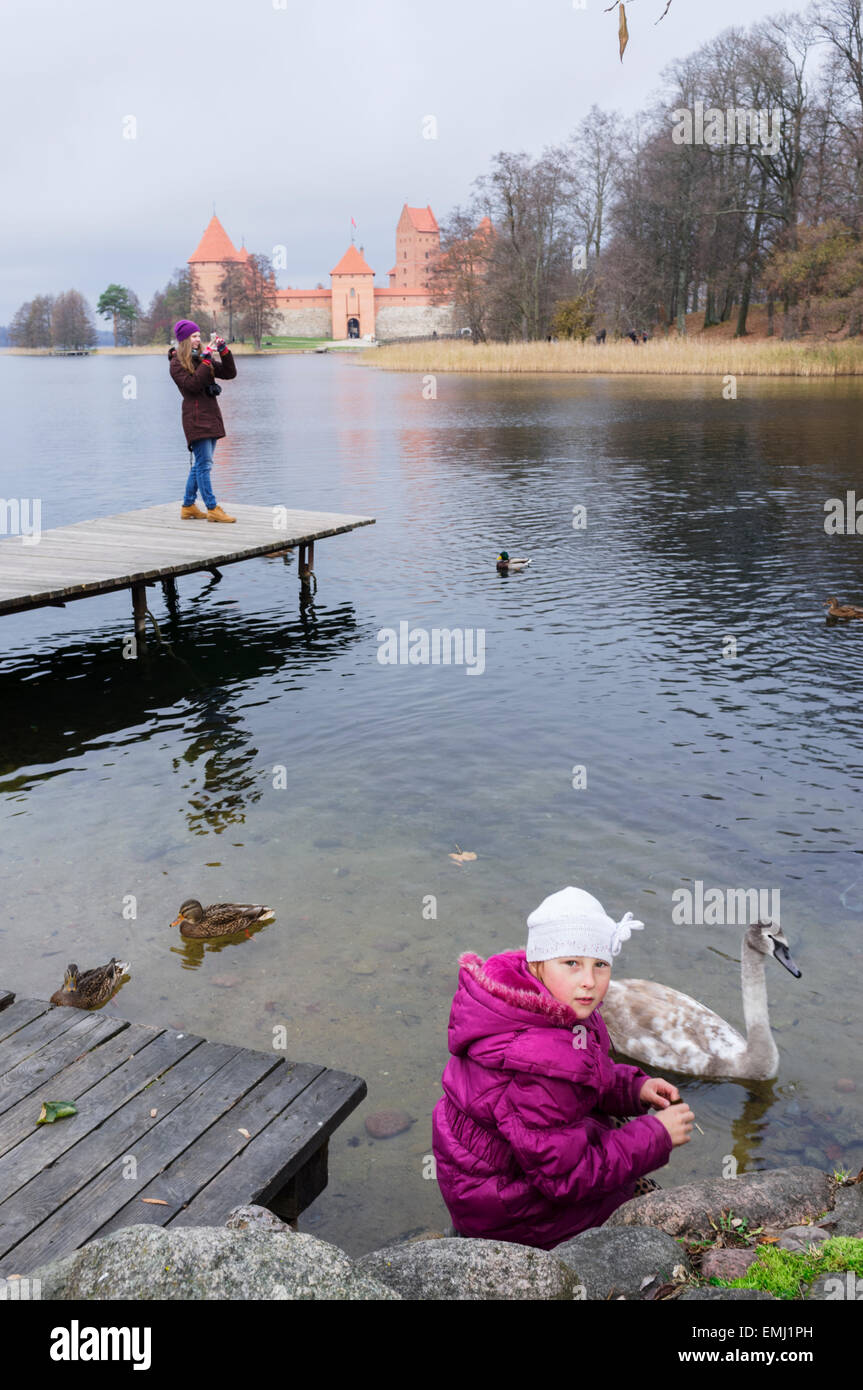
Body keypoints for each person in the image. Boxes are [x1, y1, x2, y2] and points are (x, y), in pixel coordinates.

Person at [431, 886, 694, 1250]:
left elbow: (584, 1072)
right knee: (648, 1219)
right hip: (512, 1212)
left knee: (613, 1130)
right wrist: (656, 1137)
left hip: (489, 1179)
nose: (589, 980)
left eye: (599, 964)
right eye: (572, 963)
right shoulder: (539, 1065)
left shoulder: (536, 1007)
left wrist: (633, 1089)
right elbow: (566, 1180)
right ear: (538, 964)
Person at [169, 319, 237, 522]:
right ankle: (212, 508)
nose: (198, 339)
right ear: (184, 339)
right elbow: (193, 385)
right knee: (204, 464)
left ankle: (188, 506)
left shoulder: (200, 358)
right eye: (194, 336)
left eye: (199, 335)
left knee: (200, 464)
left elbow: (229, 373)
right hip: (195, 418)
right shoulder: (176, 364)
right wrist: (207, 360)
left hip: (211, 415)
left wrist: (223, 351)